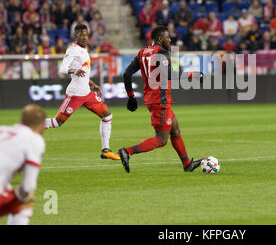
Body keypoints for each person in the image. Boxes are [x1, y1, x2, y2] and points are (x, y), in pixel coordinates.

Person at [118, 25, 202, 173]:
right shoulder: (161, 53)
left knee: (175, 130)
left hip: (151, 97)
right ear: (159, 39)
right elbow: (170, 75)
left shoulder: (142, 52)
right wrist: (193, 75)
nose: (170, 40)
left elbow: (126, 74)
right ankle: (128, 151)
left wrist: (131, 96)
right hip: (160, 100)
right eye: (167, 37)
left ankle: (187, 164)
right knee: (161, 140)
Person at [44, 24, 120, 160]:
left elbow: (83, 72)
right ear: (75, 36)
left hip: (87, 93)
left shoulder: (84, 49)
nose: (84, 37)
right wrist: (73, 71)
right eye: (81, 35)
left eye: (86, 34)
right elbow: (62, 69)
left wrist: (93, 85)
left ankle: (106, 150)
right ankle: (29, 125)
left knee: (107, 116)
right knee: (57, 123)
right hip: (75, 94)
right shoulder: (73, 50)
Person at [0, 105, 46, 225]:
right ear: (42, 127)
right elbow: (28, 187)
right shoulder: (34, 139)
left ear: (21, 120)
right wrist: (21, 193)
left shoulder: (3, 129)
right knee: (25, 202)